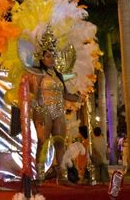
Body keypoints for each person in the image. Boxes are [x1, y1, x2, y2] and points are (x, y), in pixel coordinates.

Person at [28, 29, 80, 181]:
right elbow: (34, 93)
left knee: (60, 143)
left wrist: (77, 97)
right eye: (48, 56)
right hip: (44, 111)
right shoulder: (38, 73)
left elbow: (65, 95)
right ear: (42, 58)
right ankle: (39, 174)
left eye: (53, 56)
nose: (51, 59)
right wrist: (37, 112)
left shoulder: (58, 75)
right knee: (42, 143)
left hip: (59, 111)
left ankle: (63, 175)